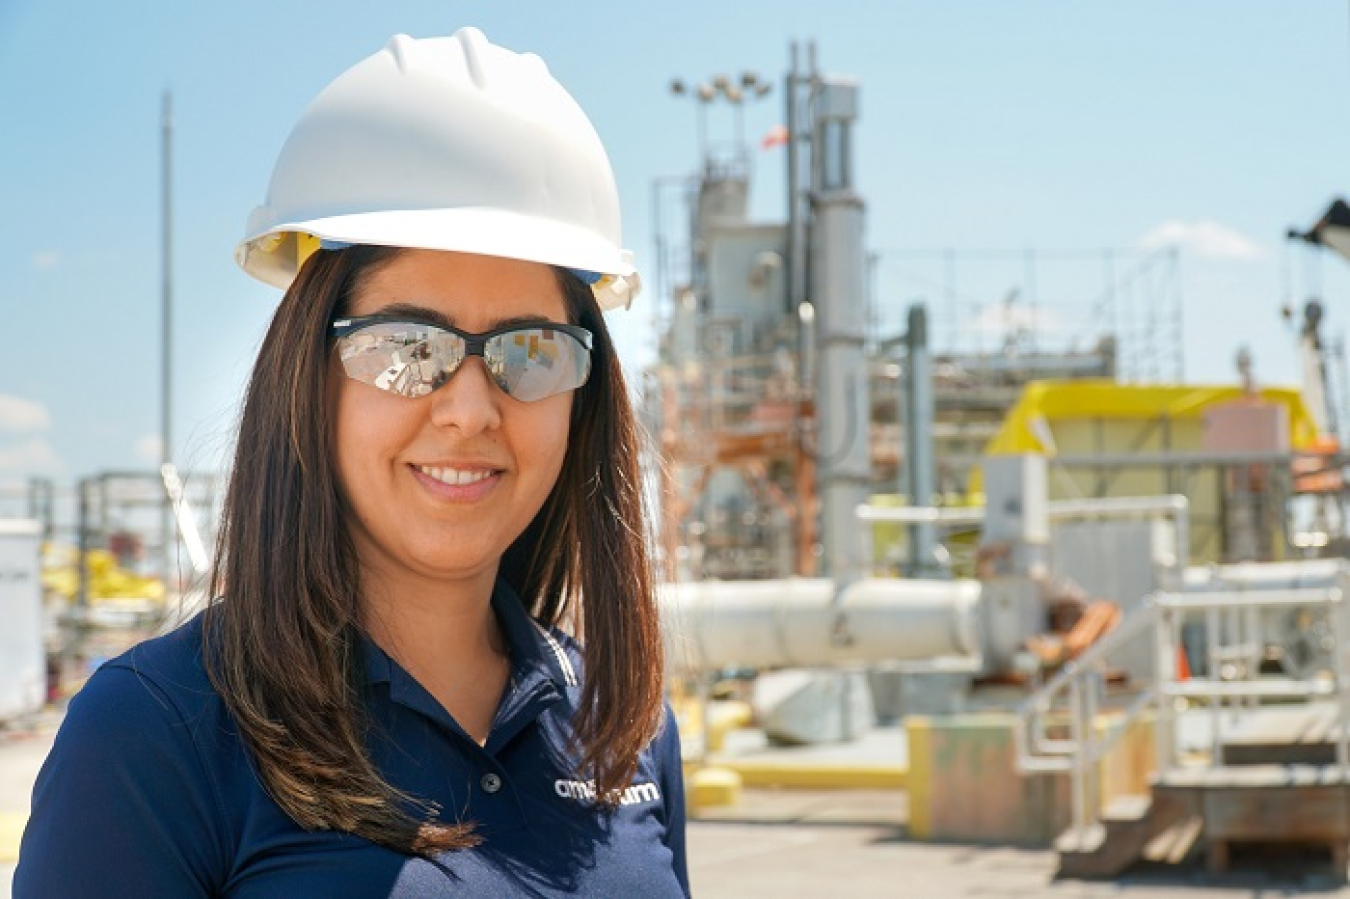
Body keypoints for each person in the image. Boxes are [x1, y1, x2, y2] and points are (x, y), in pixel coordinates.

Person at [15, 26, 688, 898]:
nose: (471, 408)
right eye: (407, 345)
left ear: (583, 394)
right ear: (308, 376)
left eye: (532, 349)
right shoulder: (158, 732)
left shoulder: (622, 729)